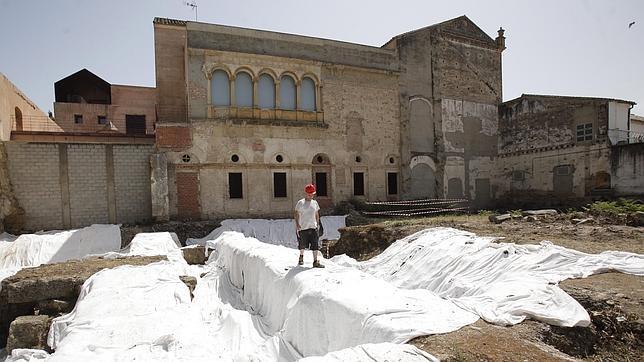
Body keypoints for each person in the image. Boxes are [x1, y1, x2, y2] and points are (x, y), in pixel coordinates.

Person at [294, 183, 325, 268]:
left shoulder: (315, 203)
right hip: (303, 227)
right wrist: (297, 224)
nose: (311, 195)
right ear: (306, 193)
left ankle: (315, 261)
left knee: (315, 245)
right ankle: (301, 256)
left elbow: (316, 214)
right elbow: (296, 214)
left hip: (313, 227)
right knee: (302, 245)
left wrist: (318, 224)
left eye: (312, 194)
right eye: (309, 194)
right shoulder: (300, 203)